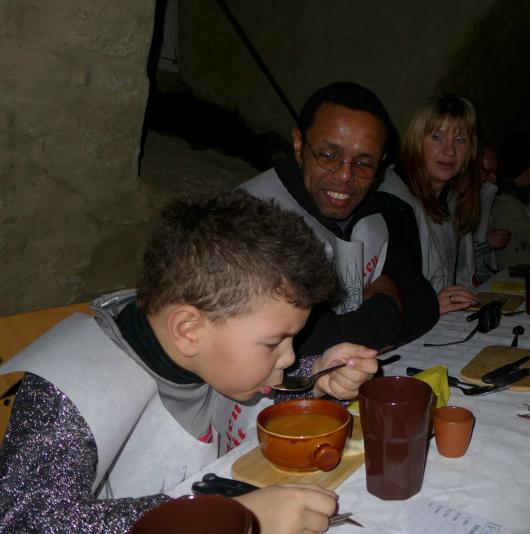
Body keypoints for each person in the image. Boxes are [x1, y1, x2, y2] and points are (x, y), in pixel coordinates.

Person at [0, 191, 380, 533]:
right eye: (274, 342)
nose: (290, 356)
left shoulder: (193, 339)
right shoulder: (68, 396)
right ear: (188, 330)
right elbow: (23, 521)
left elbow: (250, 395)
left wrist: (316, 375)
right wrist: (228, 515)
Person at [238, 82, 438, 355]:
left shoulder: (368, 210)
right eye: (329, 155)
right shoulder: (250, 219)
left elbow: (424, 304)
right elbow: (298, 346)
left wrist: (358, 331)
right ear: (298, 145)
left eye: (364, 163)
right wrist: (385, 304)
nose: (345, 176)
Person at [378, 94, 482, 314]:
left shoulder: (452, 199)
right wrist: (430, 305)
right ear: (417, 140)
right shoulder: (392, 202)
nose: (450, 151)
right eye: (437, 137)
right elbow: (383, 302)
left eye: (460, 140)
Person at [492, 134, 530, 269]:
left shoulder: (515, 195)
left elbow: (527, 232)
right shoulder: (507, 201)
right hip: (510, 270)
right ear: (528, 170)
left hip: (520, 265)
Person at [473, 145, 510, 285]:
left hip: (484, 280)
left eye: (495, 173)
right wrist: (487, 242)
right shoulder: (455, 202)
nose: (493, 179)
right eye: (486, 171)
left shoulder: (486, 198)